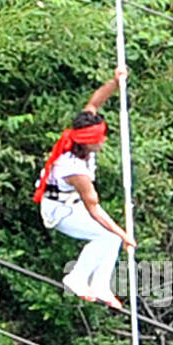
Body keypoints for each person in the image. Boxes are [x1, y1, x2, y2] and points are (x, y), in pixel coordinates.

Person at [33, 67, 136, 308]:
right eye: (100, 138)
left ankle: (100, 285)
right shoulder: (75, 170)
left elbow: (94, 102)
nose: (104, 140)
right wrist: (123, 234)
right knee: (106, 235)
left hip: (72, 204)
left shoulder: (81, 131)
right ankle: (77, 278)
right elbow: (95, 210)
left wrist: (115, 81)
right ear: (88, 142)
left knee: (110, 237)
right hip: (59, 211)